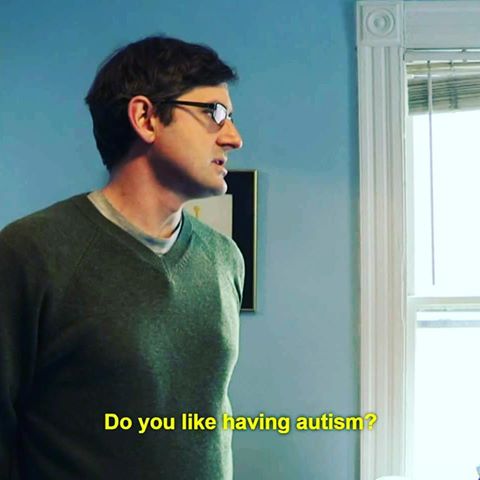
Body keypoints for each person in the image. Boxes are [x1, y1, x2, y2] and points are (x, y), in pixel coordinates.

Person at [0, 35, 244, 479]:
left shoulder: (224, 258)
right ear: (145, 118)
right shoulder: (29, 252)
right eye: (215, 113)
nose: (234, 138)